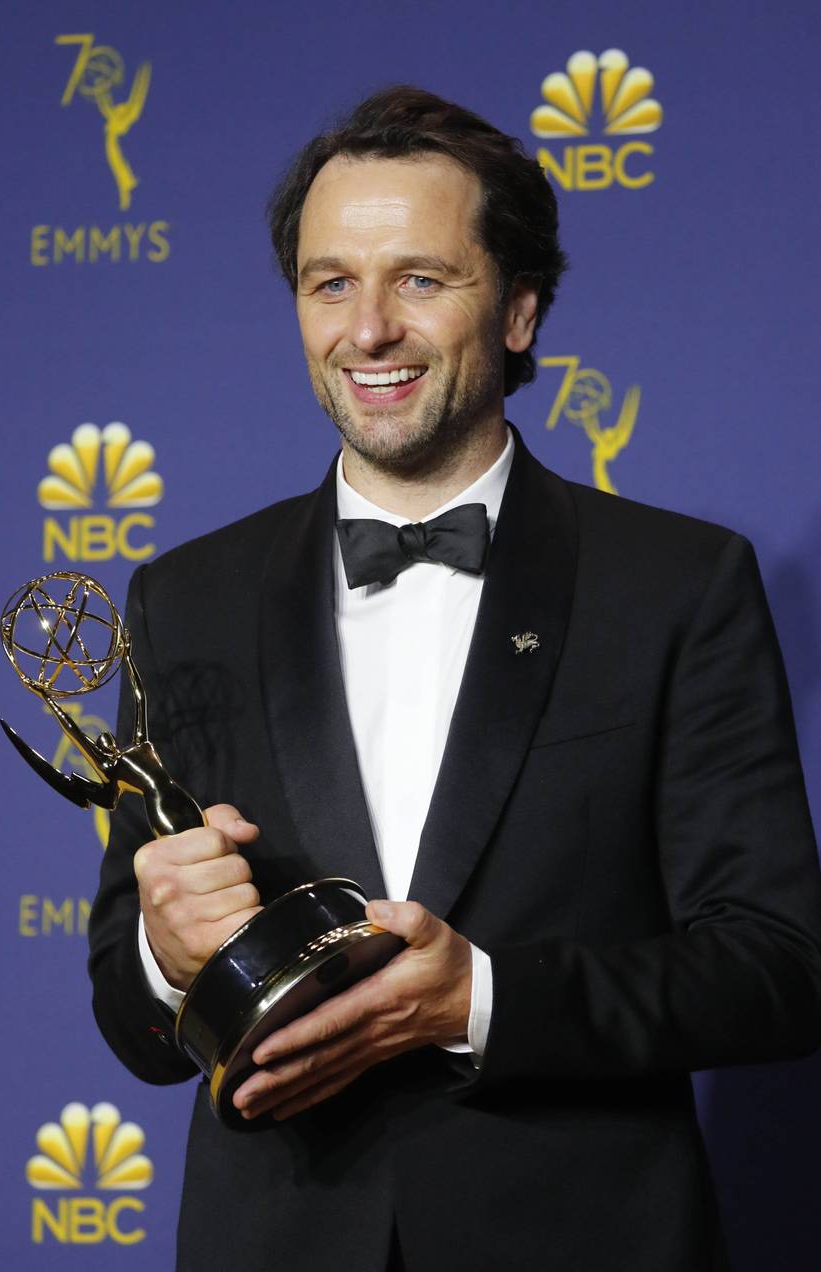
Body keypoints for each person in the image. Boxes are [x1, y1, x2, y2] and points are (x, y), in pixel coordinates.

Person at [88, 86, 821, 1272]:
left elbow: (777, 969)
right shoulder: (184, 600)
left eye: (420, 280)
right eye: (330, 283)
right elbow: (132, 1026)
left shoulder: (676, 585)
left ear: (520, 310)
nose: (368, 328)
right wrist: (162, 957)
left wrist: (479, 998)